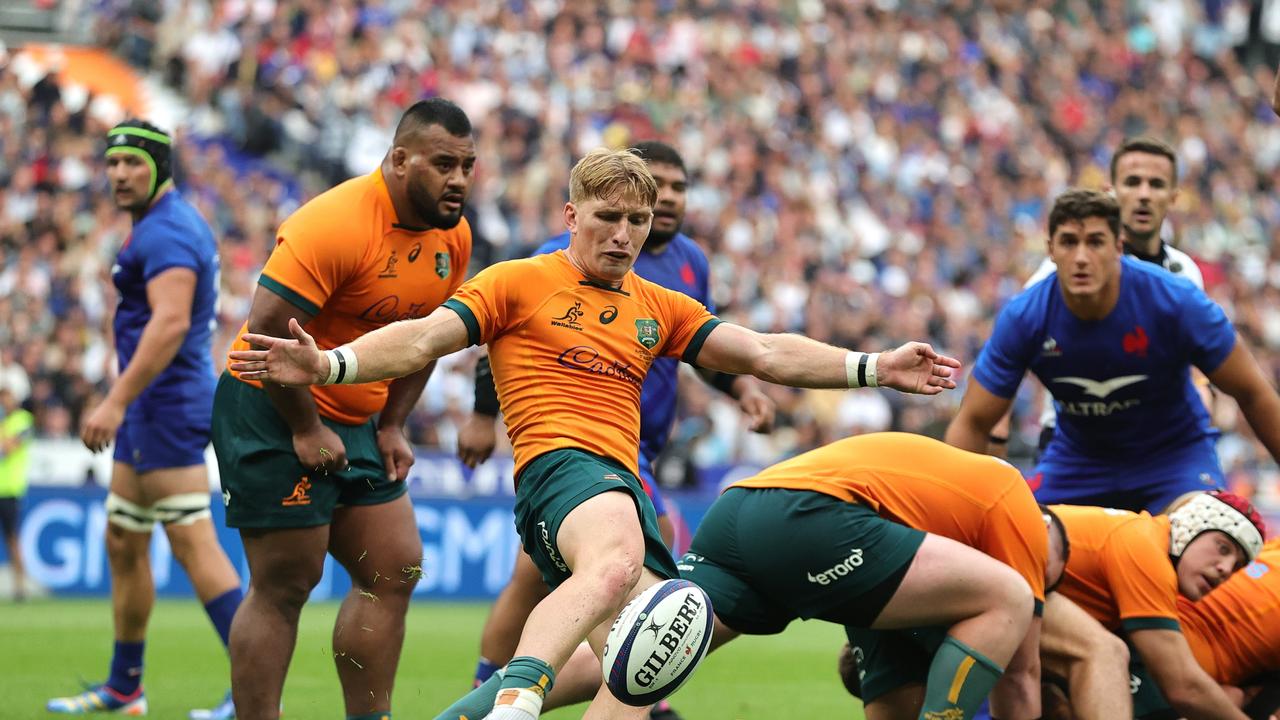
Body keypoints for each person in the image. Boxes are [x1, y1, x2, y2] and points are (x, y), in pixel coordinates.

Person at [229, 147, 960, 720]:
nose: (623, 234)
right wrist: (329, 363)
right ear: (571, 214)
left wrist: (873, 366)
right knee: (613, 561)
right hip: (562, 474)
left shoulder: (660, 304)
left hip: (621, 486)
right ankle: (514, 704)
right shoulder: (514, 281)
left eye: (637, 222)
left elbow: (764, 352)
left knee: (650, 654)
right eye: (607, 217)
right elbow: (422, 340)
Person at [458, 141, 775, 720]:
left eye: (675, 188)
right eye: (658, 185)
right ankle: (519, 693)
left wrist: (741, 387)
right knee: (622, 581)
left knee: (588, 583)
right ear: (583, 212)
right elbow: (503, 332)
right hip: (581, 449)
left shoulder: (688, 264)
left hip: (634, 447)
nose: (669, 197)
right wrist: (483, 415)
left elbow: (701, 345)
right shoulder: (562, 258)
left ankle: (494, 700)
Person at [455, 432, 1060, 720]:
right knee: (1006, 596)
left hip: (744, 511)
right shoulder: (1019, 513)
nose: (1049, 587)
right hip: (814, 518)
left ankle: (463, 715)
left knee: (630, 655)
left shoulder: (923, 557)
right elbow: (1022, 680)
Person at [210, 98, 476, 720]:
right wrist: (305, 427)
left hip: (357, 418)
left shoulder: (454, 236)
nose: (459, 179)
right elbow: (265, 331)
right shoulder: (334, 224)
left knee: (394, 568)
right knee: (285, 584)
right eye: (444, 164)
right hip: (270, 407)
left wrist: (393, 423)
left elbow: (426, 337)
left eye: (467, 165)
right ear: (399, 158)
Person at [46, 120, 243, 718]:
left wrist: (114, 400)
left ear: (161, 167)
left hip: (165, 404)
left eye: (133, 163)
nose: (119, 174)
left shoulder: (167, 233)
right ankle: (125, 686)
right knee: (124, 540)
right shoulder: (161, 227)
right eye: (112, 164)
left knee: (194, 546)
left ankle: (253, 689)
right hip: (150, 409)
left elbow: (170, 323)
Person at [945, 188, 1280, 513]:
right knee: (1026, 543)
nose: (1081, 257)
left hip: (1174, 460)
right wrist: (960, 517)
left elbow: (1254, 392)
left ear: (1118, 246)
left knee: (1200, 540)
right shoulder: (1025, 315)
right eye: (1068, 242)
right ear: (1050, 249)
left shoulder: (1175, 301)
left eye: (1095, 242)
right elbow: (974, 421)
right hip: (1077, 464)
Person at [1000, 138, 1208, 462]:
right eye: (1132, 182)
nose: (1143, 195)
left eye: (1155, 185)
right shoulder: (1059, 271)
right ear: (1112, 191)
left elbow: (1198, 375)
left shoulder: (1185, 274)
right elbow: (1010, 354)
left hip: (1159, 448)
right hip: (1070, 443)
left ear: (1174, 197)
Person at [1043, 491, 1266, 720]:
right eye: (1223, 548)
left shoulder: (1145, 538)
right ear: (1192, 526)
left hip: (1030, 584)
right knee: (1107, 653)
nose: (1226, 569)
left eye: (1237, 566)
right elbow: (1183, 688)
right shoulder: (1148, 553)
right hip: (1021, 576)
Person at [0, 385, 33, 601]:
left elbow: (7, 448)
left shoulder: (23, 420)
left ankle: (20, 588)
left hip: (10, 490)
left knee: (13, 539)